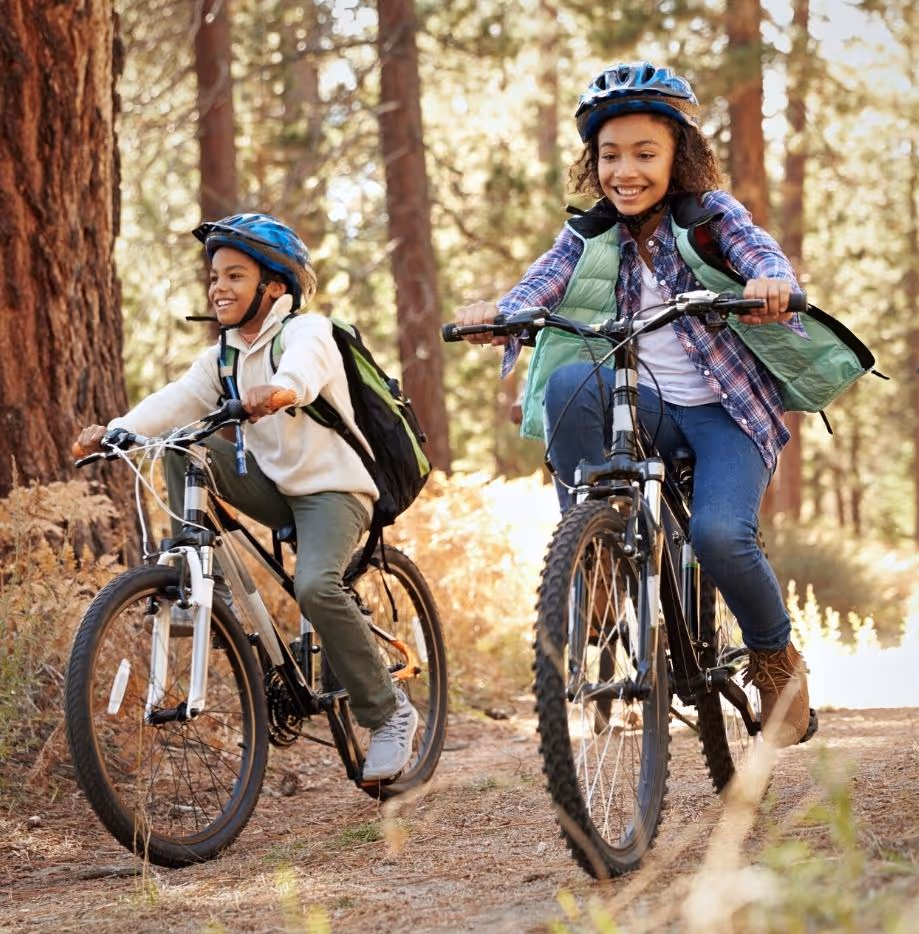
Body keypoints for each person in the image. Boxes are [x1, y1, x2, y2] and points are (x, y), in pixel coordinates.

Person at [453, 60, 816, 748]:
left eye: (645, 153)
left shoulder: (711, 215)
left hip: (723, 414)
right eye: (610, 154)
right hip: (641, 406)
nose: (626, 170)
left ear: (680, 156)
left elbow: (758, 252)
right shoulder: (589, 233)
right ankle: (598, 553)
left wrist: (770, 282)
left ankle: (775, 658)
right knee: (566, 385)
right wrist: (501, 313)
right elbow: (541, 284)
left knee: (717, 536)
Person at [73, 212, 419, 781]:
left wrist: (280, 391)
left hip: (335, 490)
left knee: (314, 585)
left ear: (274, 286)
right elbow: (177, 399)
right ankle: (192, 570)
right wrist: (116, 430)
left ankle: (388, 715)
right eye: (214, 277)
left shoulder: (310, 332)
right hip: (274, 488)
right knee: (183, 444)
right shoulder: (222, 357)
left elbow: (304, 373)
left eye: (235, 275)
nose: (219, 287)